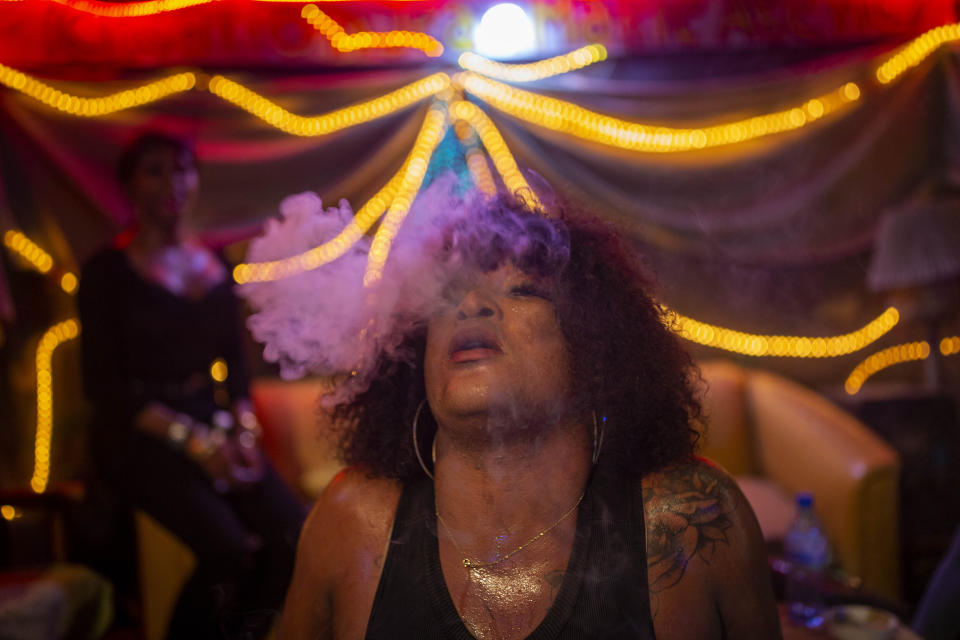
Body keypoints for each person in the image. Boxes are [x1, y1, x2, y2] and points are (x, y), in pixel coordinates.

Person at [266, 188, 781, 639]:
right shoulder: (353, 520)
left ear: (594, 351)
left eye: (522, 290)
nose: (471, 305)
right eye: (447, 296)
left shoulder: (690, 516)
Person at [77, 131, 305, 639]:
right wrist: (195, 444)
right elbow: (105, 389)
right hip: (140, 435)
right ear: (130, 186)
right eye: (154, 170)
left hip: (213, 422)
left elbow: (237, 371)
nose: (171, 182)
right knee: (227, 549)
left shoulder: (215, 266)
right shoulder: (105, 274)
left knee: (294, 535)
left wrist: (245, 435)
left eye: (181, 169)